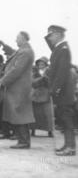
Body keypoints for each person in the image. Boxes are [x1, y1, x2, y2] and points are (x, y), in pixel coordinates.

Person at [0, 31, 35, 149]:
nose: (16, 40)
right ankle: (22, 140)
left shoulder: (25, 52)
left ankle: (24, 141)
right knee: (17, 113)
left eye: (17, 38)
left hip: (19, 88)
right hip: (17, 87)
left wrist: (2, 81)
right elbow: (12, 55)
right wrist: (4, 45)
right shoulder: (23, 50)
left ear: (23, 39)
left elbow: (17, 70)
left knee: (20, 113)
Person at [45, 25, 76, 156]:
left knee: (67, 119)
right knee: (63, 119)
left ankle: (71, 147)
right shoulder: (59, 48)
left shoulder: (63, 49)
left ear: (58, 34)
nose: (49, 38)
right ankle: (67, 145)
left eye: (51, 35)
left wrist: (55, 89)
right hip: (62, 90)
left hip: (63, 90)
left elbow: (62, 72)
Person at [31, 57, 54, 137]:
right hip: (36, 95)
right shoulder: (34, 73)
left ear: (46, 64)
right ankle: (33, 130)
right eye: (39, 64)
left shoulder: (49, 72)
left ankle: (50, 131)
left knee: (48, 114)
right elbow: (32, 82)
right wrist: (41, 79)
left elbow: (52, 82)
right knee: (35, 114)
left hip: (46, 94)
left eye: (42, 64)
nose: (40, 65)